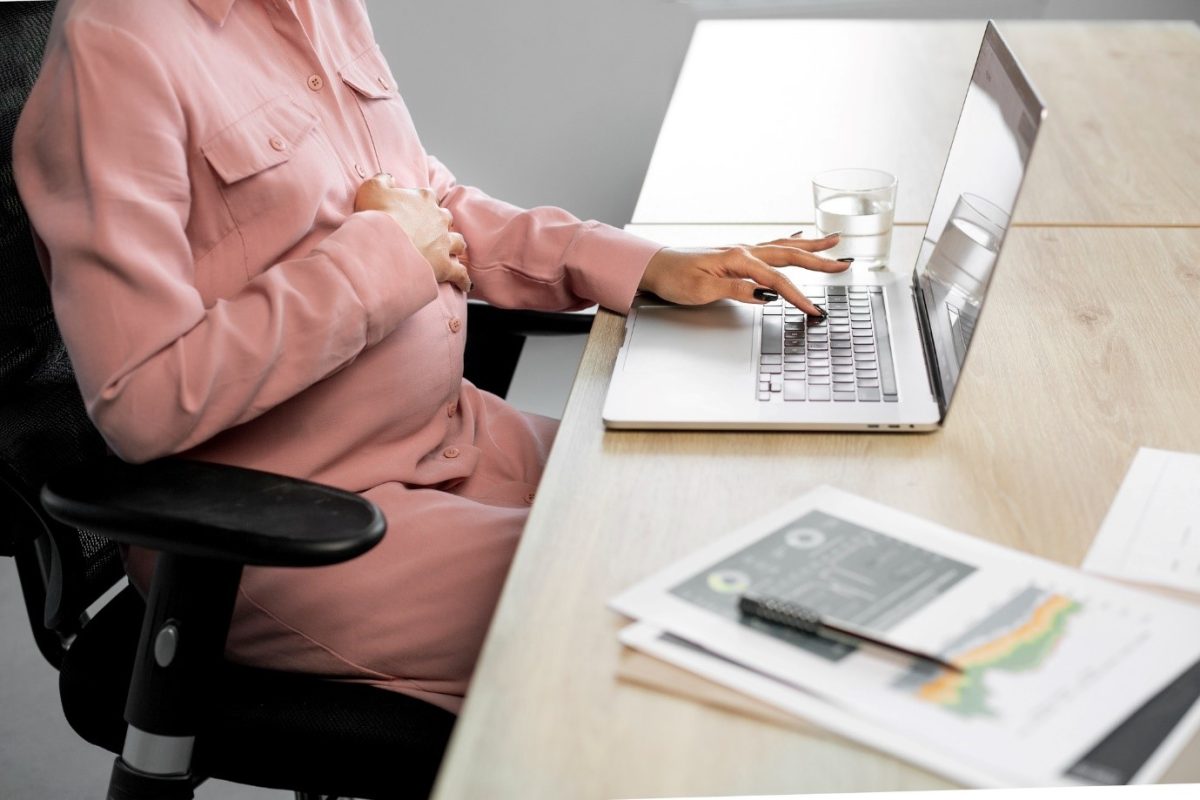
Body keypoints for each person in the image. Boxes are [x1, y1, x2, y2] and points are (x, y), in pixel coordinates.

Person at [14, 0, 847, 713]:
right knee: (704, 618)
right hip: (292, 522)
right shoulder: (116, 46)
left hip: (453, 441)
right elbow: (142, 397)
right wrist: (380, 256)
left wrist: (641, 266)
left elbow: (428, 200)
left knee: (743, 518)